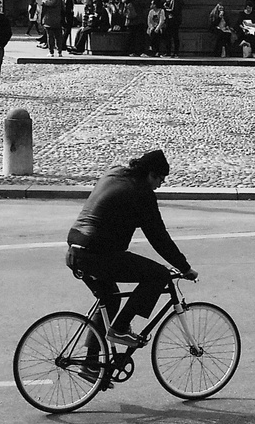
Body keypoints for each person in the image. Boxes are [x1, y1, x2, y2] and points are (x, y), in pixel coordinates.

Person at [64, 150, 196, 351]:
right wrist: (184, 267)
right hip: (97, 254)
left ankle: (90, 365)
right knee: (158, 275)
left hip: (75, 250)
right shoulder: (142, 194)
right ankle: (120, 328)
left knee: (110, 299)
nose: (159, 185)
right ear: (150, 174)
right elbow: (158, 238)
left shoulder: (114, 173)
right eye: (160, 179)